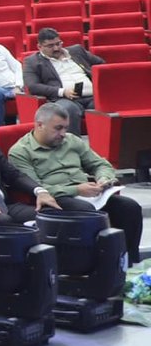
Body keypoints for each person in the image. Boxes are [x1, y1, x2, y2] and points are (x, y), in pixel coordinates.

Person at [9, 102, 140, 253]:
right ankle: (105, 260)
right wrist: (76, 190)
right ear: (39, 125)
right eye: (58, 128)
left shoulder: (71, 140)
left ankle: (128, 260)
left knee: (129, 207)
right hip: (56, 198)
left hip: (88, 193)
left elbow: (100, 164)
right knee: (87, 211)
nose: (63, 133)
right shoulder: (20, 152)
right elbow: (34, 187)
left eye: (65, 128)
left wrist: (103, 178)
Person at [23, 26, 104, 135]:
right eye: (50, 46)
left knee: (108, 105)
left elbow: (101, 65)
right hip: (65, 99)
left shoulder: (76, 51)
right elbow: (33, 86)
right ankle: (73, 148)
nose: (56, 48)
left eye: (58, 44)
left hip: (92, 96)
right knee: (67, 109)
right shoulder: (32, 61)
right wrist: (62, 91)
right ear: (39, 46)